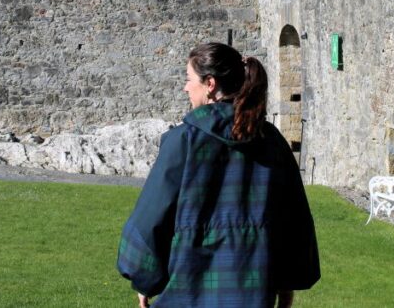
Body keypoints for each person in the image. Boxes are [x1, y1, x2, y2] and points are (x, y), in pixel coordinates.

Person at [117, 42, 320, 307]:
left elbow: (150, 220)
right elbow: (295, 223)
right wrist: (287, 283)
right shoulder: (272, 143)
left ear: (210, 84)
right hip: (253, 294)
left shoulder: (183, 142)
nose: (185, 87)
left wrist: (144, 279)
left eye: (189, 79)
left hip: (186, 295)